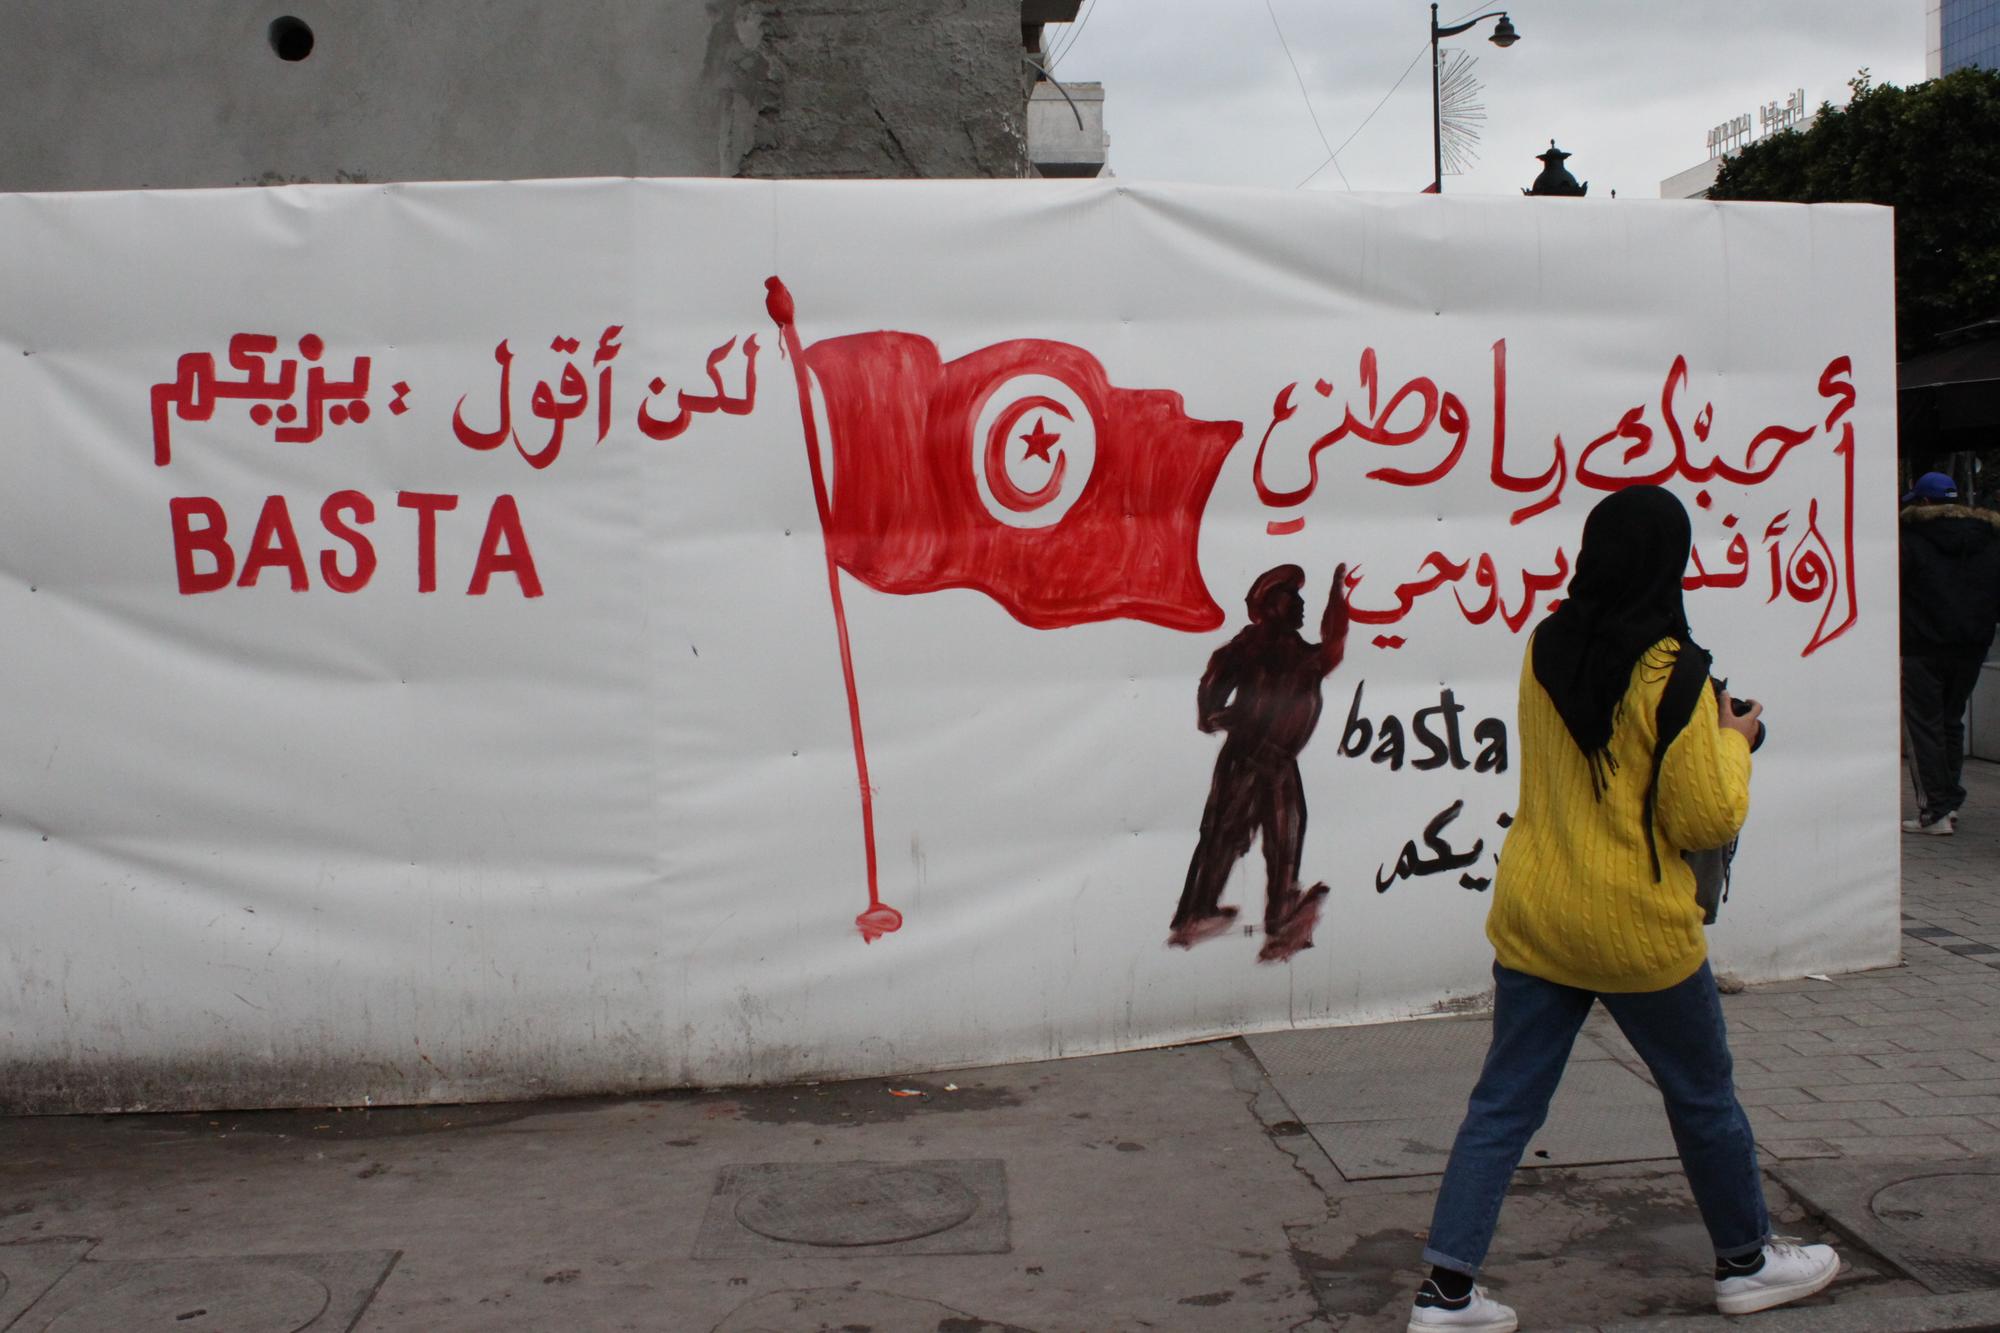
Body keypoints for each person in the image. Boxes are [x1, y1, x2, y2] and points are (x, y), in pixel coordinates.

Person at [1405, 487, 1837, 1333]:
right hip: (1638, 931)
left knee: (1501, 1106)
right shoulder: (1680, 672)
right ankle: (1747, 1262)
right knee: (1703, 1096)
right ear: (1669, 561)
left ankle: (1445, 1293)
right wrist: (1735, 740)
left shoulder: (1542, 645)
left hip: (1537, 917)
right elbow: (1705, 815)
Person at [1170, 562, 1348, 962]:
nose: (1301, 604)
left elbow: (1333, 645)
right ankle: (1196, 912)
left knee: (1286, 838)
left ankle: (1281, 918)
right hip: (1246, 759)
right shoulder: (1246, 647)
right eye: (1292, 596)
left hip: (1281, 765)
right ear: (1268, 603)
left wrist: (1337, 596)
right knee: (1222, 836)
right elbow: (1208, 707)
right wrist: (1241, 722)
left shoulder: (1303, 654)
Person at [1899, 470, 2000, 836]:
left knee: (1923, 727)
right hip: (1972, 647)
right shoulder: (1988, 539)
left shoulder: (1910, 539)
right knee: (1950, 721)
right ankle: (1950, 803)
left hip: (1920, 647)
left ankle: (1935, 812)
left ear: (1924, 503)